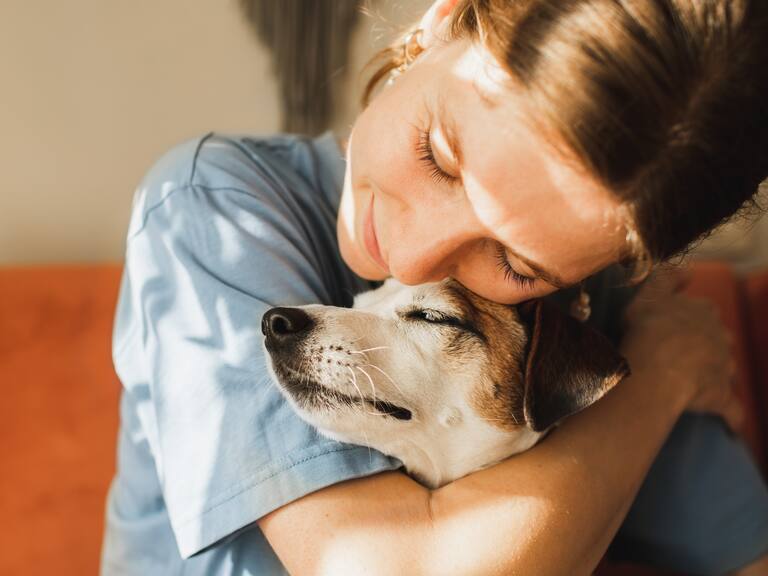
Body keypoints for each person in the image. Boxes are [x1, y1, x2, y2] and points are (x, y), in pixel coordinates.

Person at [100, 0, 768, 574]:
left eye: (516, 263)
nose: (413, 261)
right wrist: (657, 381)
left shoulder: (588, 314)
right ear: (442, 21)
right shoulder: (214, 208)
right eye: (441, 157)